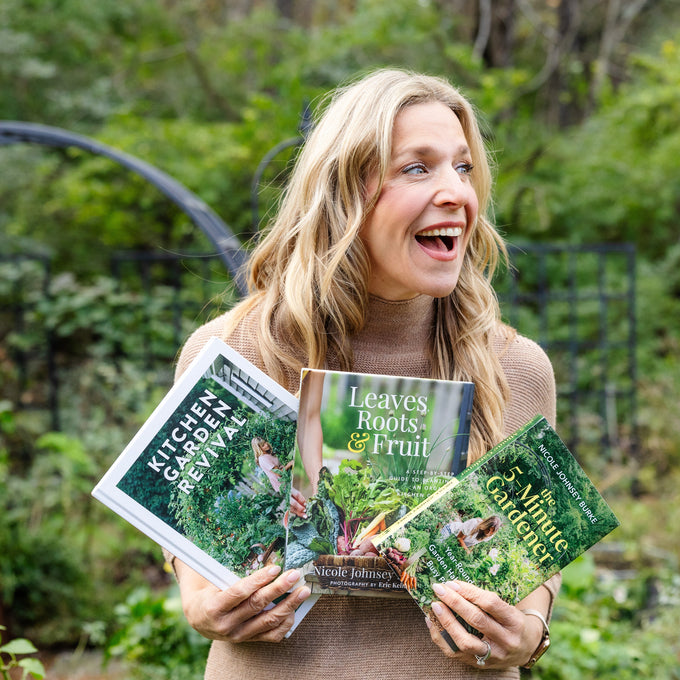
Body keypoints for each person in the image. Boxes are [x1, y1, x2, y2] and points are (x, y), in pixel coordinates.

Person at [166, 68, 560, 679]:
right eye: (417, 167)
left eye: (462, 167)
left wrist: (527, 634)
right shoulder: (232, 351)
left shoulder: (515, 367)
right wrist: (203, 606)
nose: (457, 192)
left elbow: (531, 562)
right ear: (344, 193)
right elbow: (188, 537)